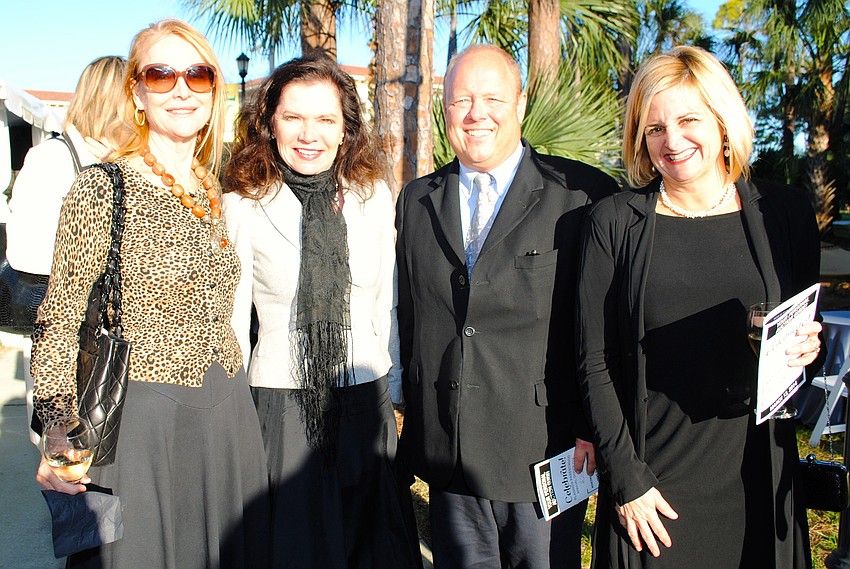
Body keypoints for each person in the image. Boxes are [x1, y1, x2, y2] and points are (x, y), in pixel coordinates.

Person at [32, 19, 269, 568]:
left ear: (215, 90)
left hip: (226, 414)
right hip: (141, 422)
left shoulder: (210, 186)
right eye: (160, 75)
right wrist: (57, 433)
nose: (181, 88)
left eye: (197, 74)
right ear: (136, 93)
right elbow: (60, 316)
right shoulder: (101, 187)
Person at [576, 45, 825, 569]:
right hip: (655, 491)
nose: (673, 140)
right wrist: (626, 479)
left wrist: (809, 349)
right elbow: (593, 361)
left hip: (757, 476)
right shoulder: (615, 223)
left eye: (688, 119)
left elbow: (807, 338)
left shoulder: (784, 214)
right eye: (655, 128)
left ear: (722, 118)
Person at [395, 43, 618, 568]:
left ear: (520, 104)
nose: (477, 114)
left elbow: (605, 322)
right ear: (444, 109)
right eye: (461, 101)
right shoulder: (416, 199)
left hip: (545, 452)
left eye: (492, 97)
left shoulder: (582, 196)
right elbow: (412, 315)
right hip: (451, 456)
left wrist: (592, 426)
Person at [222, 55, 422, 569]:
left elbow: (387, 302)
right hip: (281, 405)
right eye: (293, 117)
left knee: (370, 548)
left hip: (364, 401)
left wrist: (394, 389)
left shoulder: (372, 196)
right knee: (294, 548)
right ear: (269, 124)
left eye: (325, 119)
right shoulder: (244, 204)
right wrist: (235, 409)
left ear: (345, 129)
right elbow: (233, 316)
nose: (308, 134)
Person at [6, 55, 130, 444]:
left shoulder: (121, 163)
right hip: (67, 348)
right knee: (69, 462)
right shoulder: (54, 160)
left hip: (110, 349)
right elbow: (27, 256)